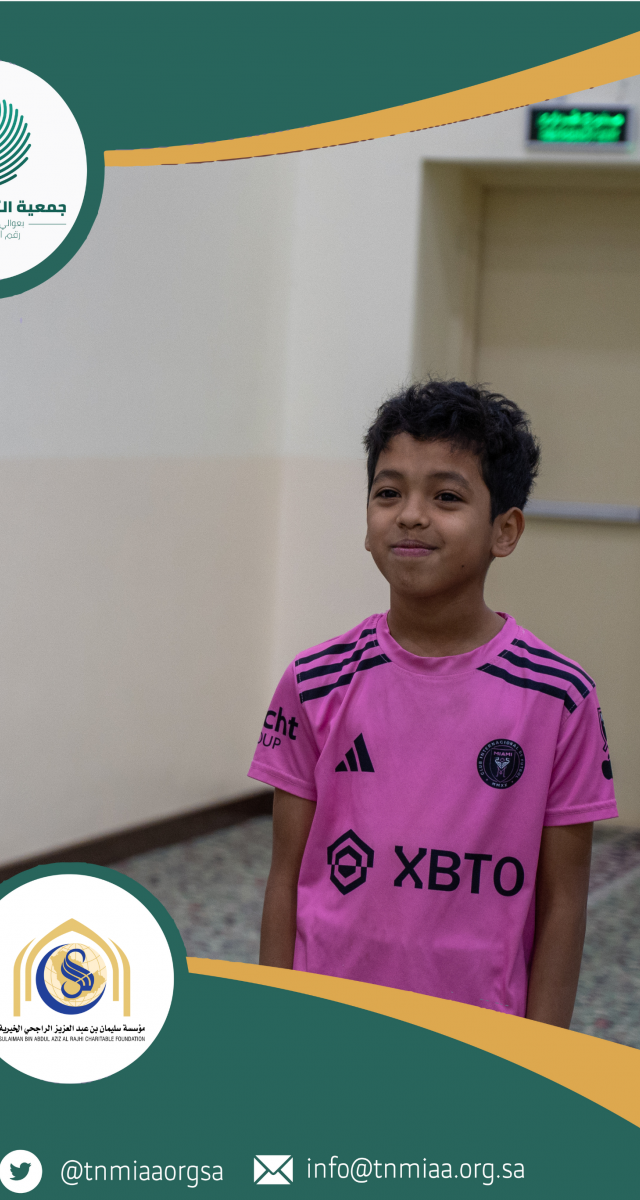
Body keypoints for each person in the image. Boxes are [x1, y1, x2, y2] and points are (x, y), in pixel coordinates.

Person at [251, 381, 615, 1025]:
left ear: (505, 530)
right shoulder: (314, 682)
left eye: (446, 497)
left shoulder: (559, 697)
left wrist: (548, 1060)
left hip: (480, 1037)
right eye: (388, 493)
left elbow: (563, 905)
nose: (411, 515)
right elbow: (285, 879)